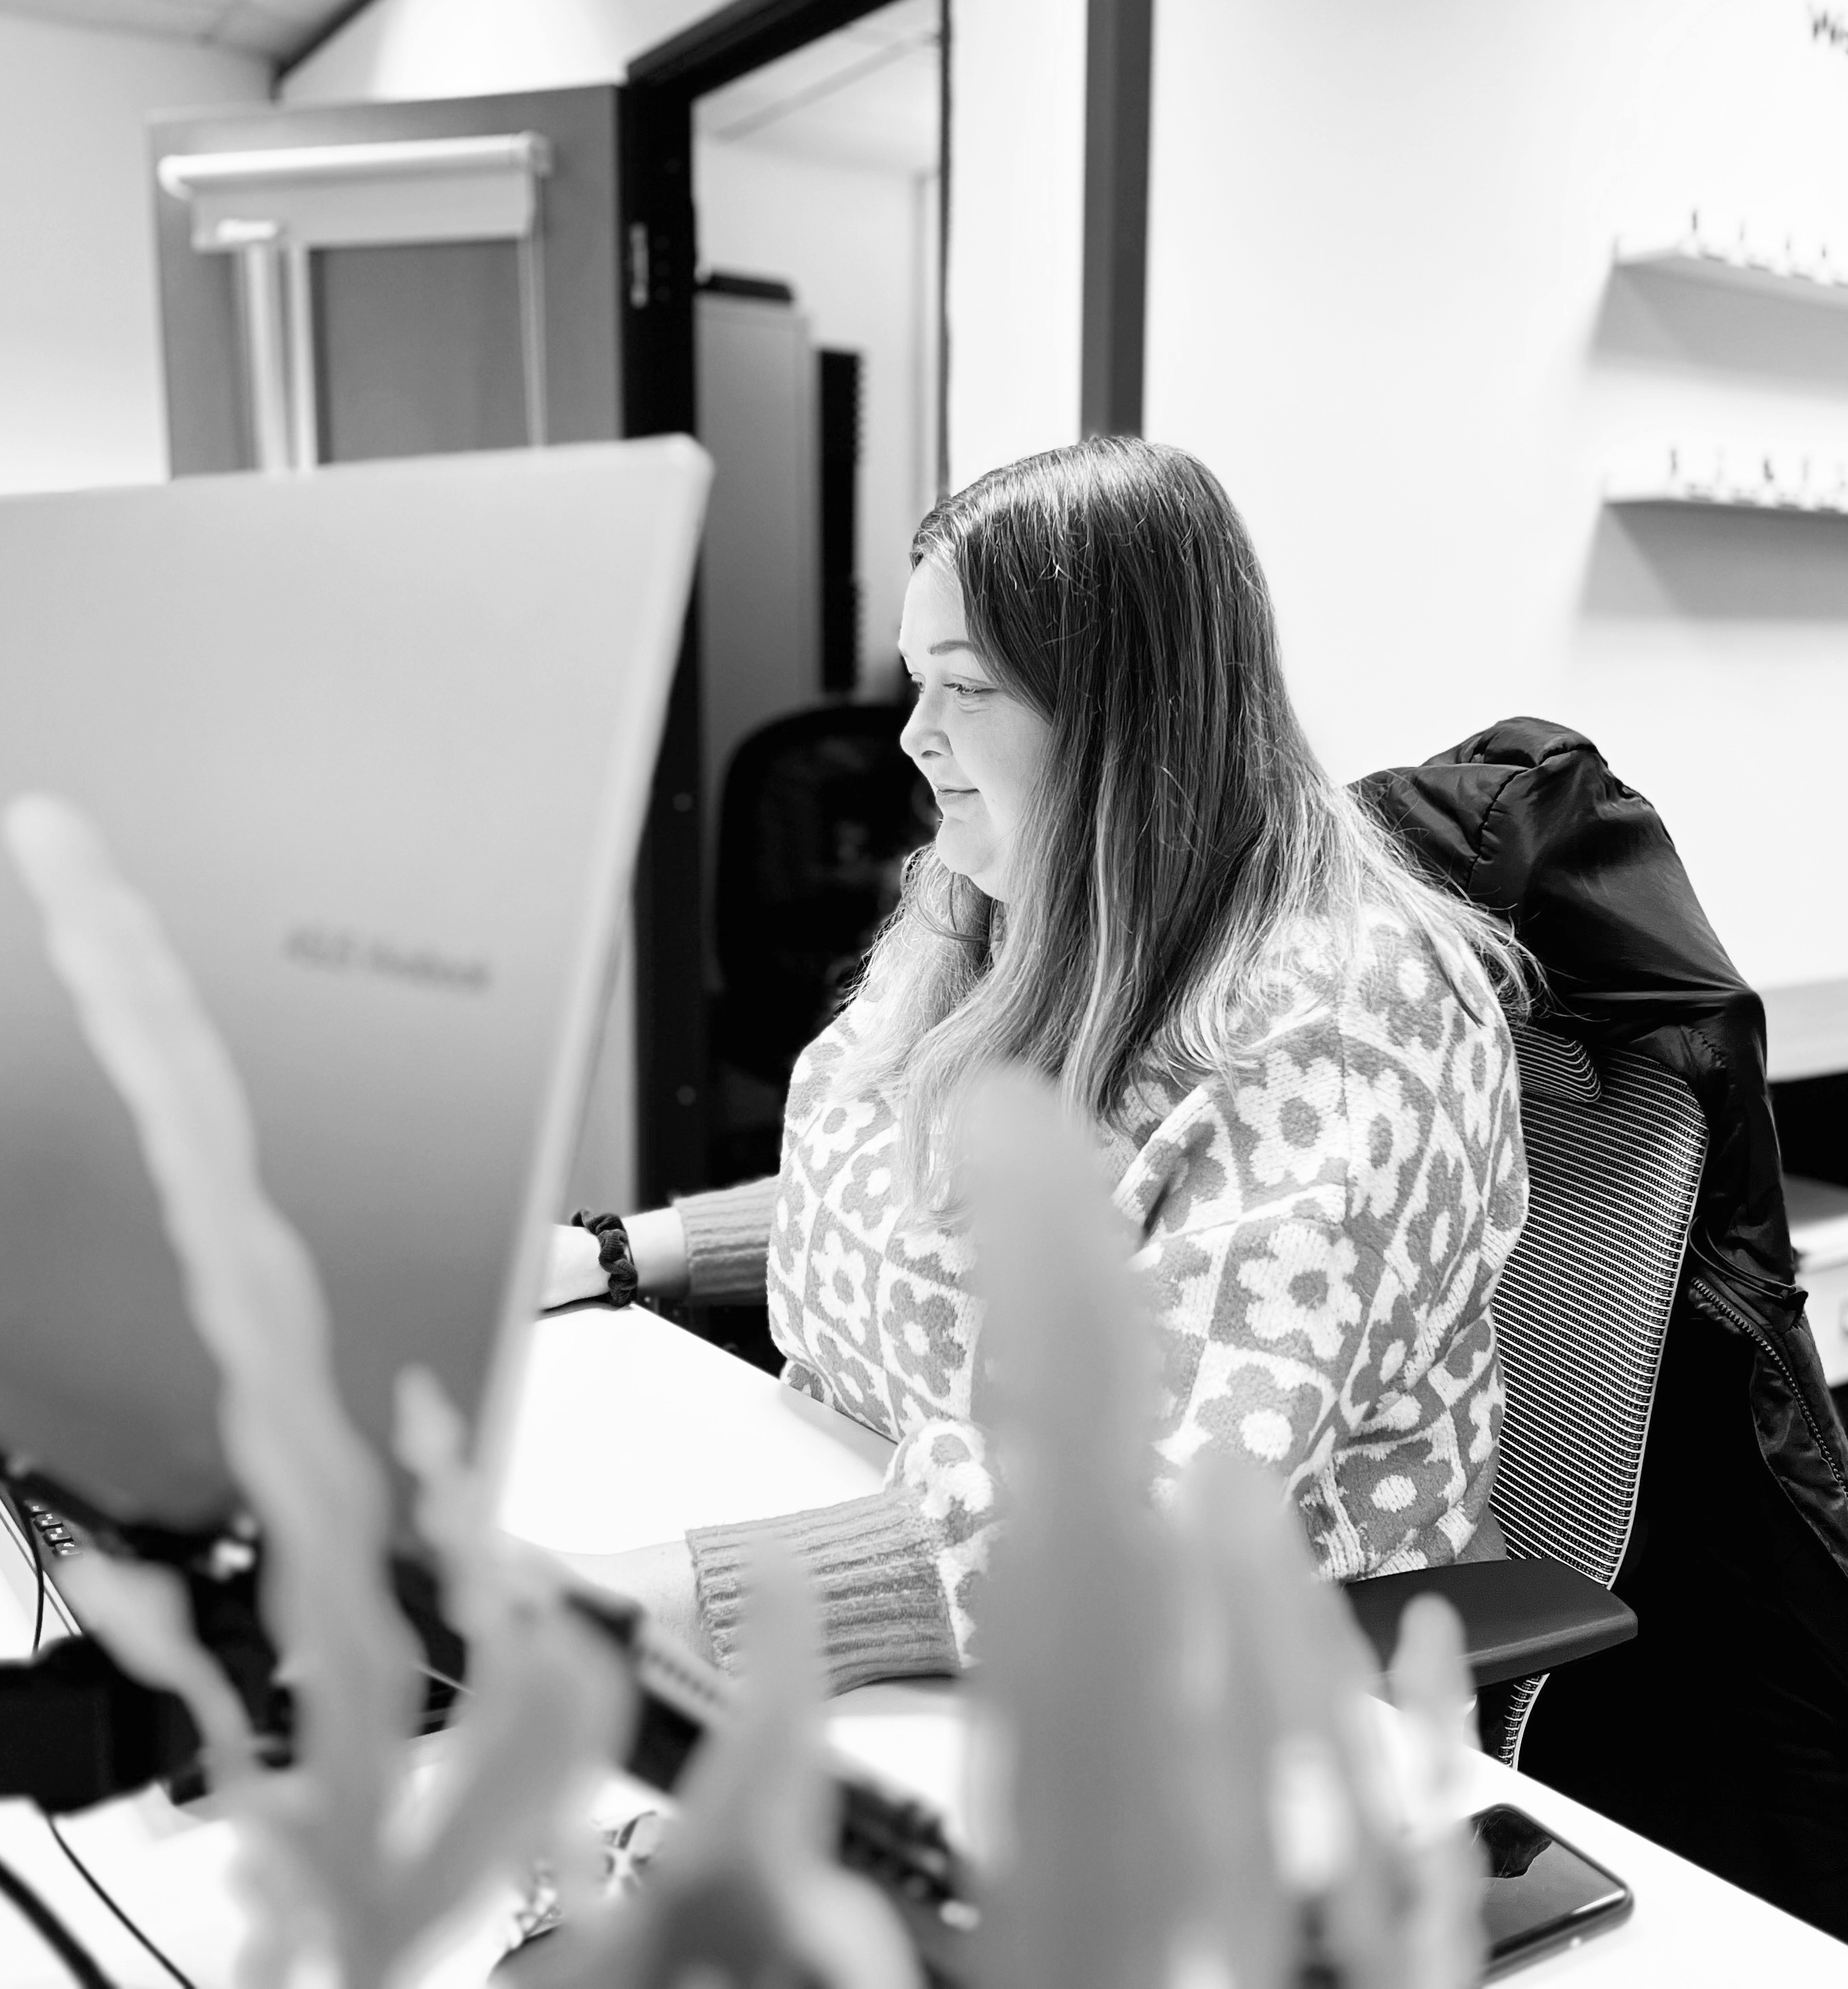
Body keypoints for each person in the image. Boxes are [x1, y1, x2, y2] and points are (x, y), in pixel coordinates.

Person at [547, 437, 1534, 1689]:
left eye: (965, 688)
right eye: (914, 680)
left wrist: (664, 1605)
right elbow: (897, 1172)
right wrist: (618, 1253)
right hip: (918, 1595)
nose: (912, 737)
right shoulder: (1000, 897)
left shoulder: (1346, 1031)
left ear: (1129, 715)